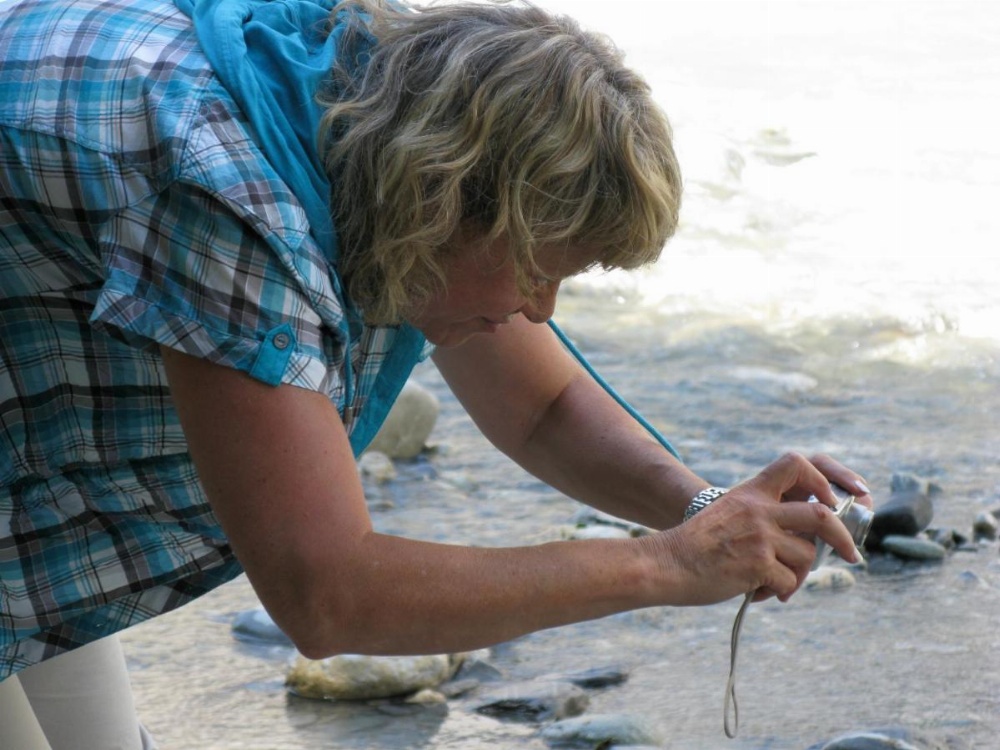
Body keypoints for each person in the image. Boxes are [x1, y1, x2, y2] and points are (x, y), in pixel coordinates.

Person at [0, 0, 872, 746]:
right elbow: (327, 593)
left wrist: (701, 509)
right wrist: (667, 568)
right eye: (540, 268)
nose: (542, 310)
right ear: (443, 201)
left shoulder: (391, 117)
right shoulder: (225, 196)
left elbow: (542, 409)